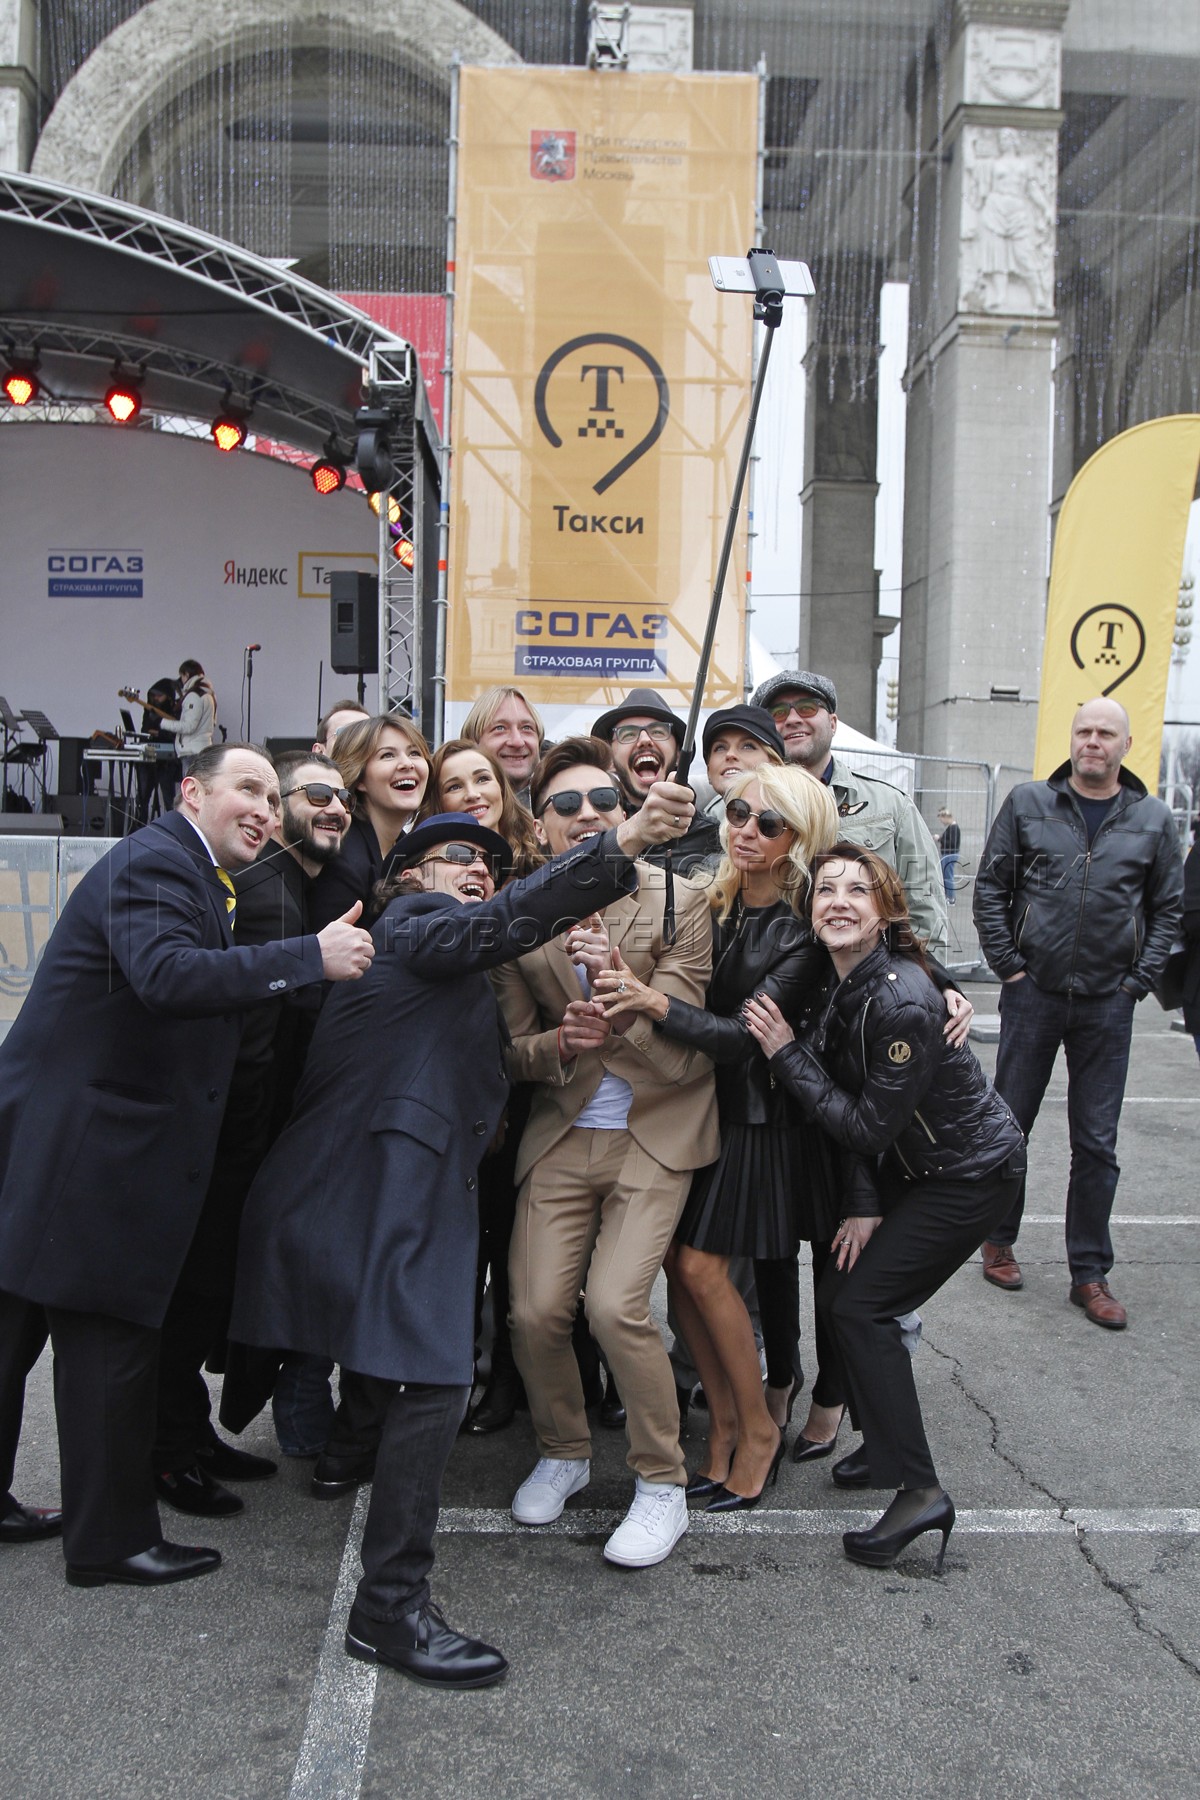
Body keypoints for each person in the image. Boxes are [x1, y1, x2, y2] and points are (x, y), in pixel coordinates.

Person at [229, 790, 698, 1687]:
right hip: (382, 1184)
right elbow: (500, 924)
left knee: (409, 1371)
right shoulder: (415, 925)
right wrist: (626, 839)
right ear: (409, 879)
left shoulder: (442, 959)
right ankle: (390, 1607)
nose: (477, 869)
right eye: (456, 859)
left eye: (486, 861)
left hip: (387, 1185)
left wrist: (558, 1043)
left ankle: (355, 1484)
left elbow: (488, 1054)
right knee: (437, 1380)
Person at [0, 744, 374, 1586]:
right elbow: (167, 977)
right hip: (90, 1152)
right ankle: (109, 1544)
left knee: (13, 1335)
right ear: (190, 793)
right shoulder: (159, 862)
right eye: (248, 788)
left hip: (59, 1141)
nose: (264, 809)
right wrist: (309, 956)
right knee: (109, 1346)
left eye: (272, 798)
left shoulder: (191, 869)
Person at [744, 844, 1026, 1573]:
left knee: (861, 1308)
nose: (838, 901)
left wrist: (785, 1053)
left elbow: (867, 1126)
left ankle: (918, 1490)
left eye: (857, 891)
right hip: (916, 1166)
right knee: (845, 1292)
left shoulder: (899, 999)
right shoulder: (842, 977)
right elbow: (864, 1116)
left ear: (885, 911)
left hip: (969, 1175)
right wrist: (864, 1203)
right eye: (825, 890)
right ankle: (883, 1445)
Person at [493, 737, 716, 1569]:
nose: (586, 815)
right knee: (533, 1310)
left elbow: (685, 1055)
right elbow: (511, 1051)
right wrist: (560, 1042)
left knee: (615, 1307)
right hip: (563, 1127)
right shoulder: (520, 912)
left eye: (603, 802)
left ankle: (661, 1479)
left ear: (627, 812)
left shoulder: (681, 900)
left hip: (656, 1127)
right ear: (540, 825)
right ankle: (564, 1450)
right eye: (565, 804)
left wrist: (624, 991)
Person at [594, 764, 840, 1510]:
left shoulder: (803, 930)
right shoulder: (713, 901)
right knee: (678, 1265)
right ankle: (727, 1423)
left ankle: (758, 1428)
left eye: (769, 823)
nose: (746, 831)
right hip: (696, 1107)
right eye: (737, 813)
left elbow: (743, 1038)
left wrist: (651, 1002)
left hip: (760, 1119)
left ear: (802, 838)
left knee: (701, 1268)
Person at [152, 751, 355, 1510]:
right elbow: (248, 1038)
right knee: (190, 1301)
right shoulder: (268, 889)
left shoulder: (285, 883)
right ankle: (169, 1454)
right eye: (313, 794)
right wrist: (244, 1151)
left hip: (237, 1138)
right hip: (226, 1143)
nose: (332, 807)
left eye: (341, 797)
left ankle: (188, 1436)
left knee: (202, 1300)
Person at [972, 697, 1182, 1326]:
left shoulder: (1152, 818)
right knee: (1009, 1124)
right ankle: (997, 1239)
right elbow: (991, 886)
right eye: (1084, 730)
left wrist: (1136, 983)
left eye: (1106, 733)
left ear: (1126, 745)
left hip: (1108, 1003)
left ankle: (1089, 1273)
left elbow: (1167, 910)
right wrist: (1010, 967)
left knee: (1096, 1143)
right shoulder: (1029, 803)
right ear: (1072, 739)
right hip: (1032, 993)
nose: (1093, 741)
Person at [750, 670, 948, 957]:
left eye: (807, 707)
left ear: (833, 723)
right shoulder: (735, 813)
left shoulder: (891, 806)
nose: (792, 719)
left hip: (872, 977)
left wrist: (925, 976)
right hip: (768, 977)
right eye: (778, 713)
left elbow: (924, 907)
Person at [309, 713, 430, 929]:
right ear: (360, 777)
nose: (407, 763)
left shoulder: (408, 849)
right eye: (387, 755)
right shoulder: (344, 861)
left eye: (414, 753)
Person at [591, 687, 721, 874]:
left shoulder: (712, 838)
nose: (644, 740)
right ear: (610, 760)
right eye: (628, 734)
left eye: (659, 732)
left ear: (679, 754)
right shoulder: (592, 830)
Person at [418, 738, 542, 877]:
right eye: (454, 787)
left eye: (483, 779)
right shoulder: (425, 876)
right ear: (437, 803)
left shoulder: (545, 851)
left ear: (501, 786)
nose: (472, 794)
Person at [460, 685, 545, 807]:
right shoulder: (448, 808)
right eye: (500, 728)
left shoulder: (561, 807)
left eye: (526, 728)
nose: (517, 742)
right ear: (473, 742)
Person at [159, 659, 218, 772]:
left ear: (186, 674)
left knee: (190, 783)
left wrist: (161, 722)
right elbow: (213, 722)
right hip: (204, 749)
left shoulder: (194, 695)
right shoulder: (209, 693)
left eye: (182, 676)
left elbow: (188, 726)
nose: (181, 680)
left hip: (192, 752)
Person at [936, 806, 961, 904]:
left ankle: (951, 898)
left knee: (948, 877)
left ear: (946, 817)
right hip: (948, 854)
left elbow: (952, 843)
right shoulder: (952, 828)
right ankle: (949, 897)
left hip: (949, 855)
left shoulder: (953, 828)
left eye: (941, 819)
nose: (941, 821)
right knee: (946, 876)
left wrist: (940, 839)